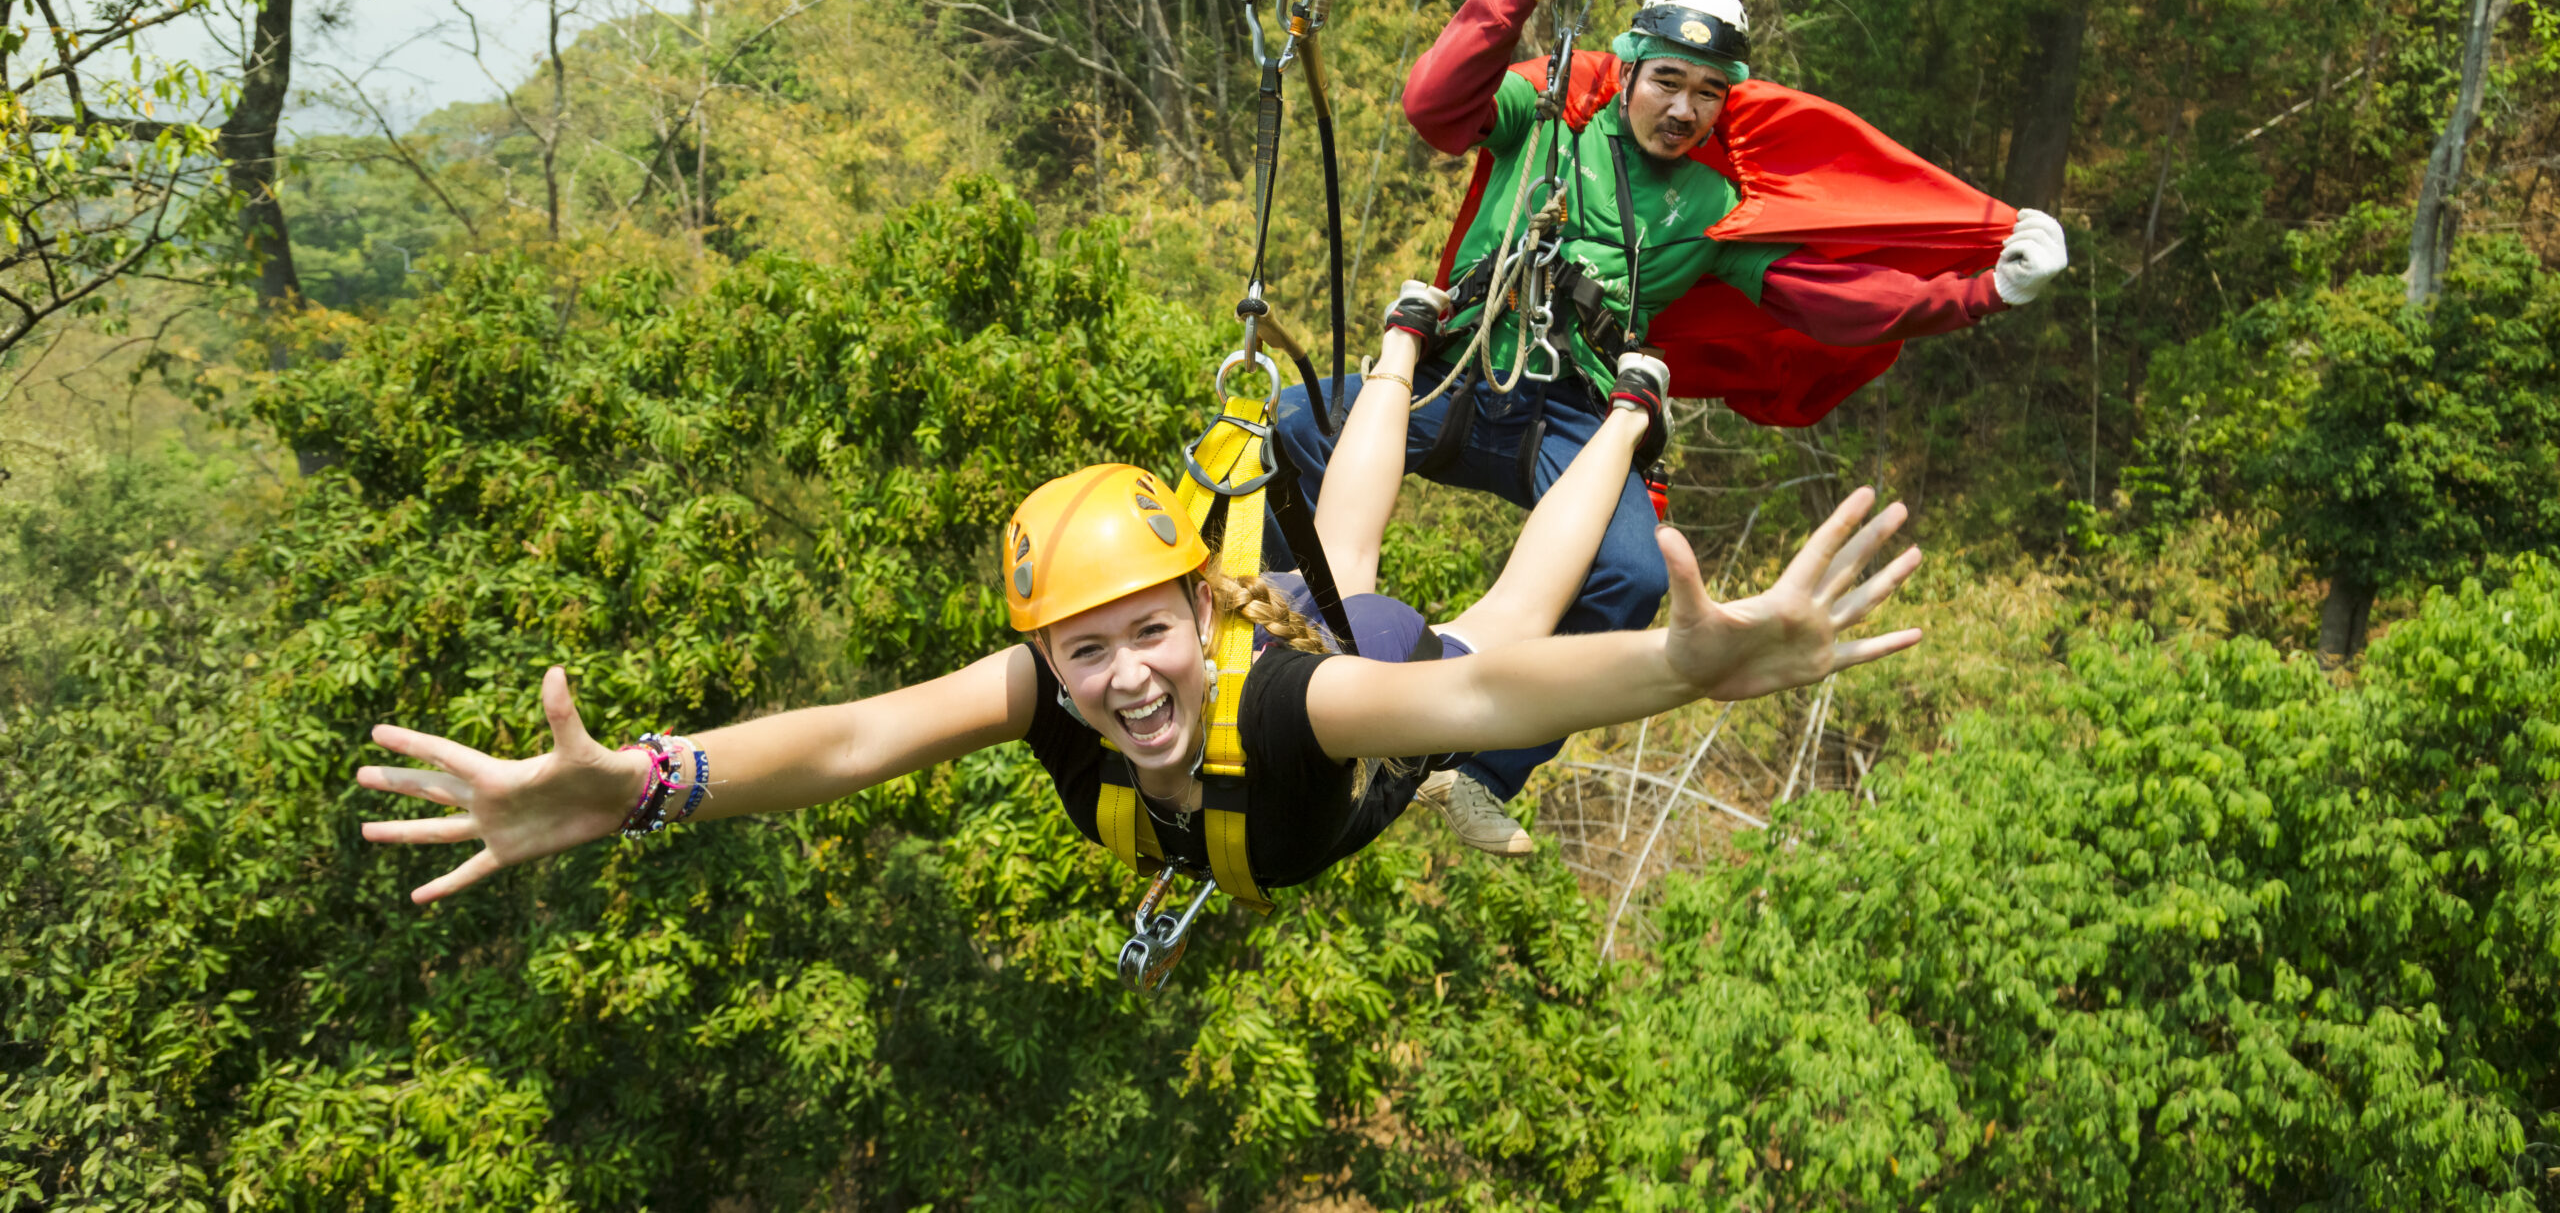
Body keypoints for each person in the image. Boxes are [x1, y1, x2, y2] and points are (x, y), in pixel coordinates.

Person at [355, 303, 1926, 912]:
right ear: (1045, 652)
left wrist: (1678, 665)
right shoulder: (1057, 686)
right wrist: (639, 783)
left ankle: (1636, 412)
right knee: (1353, 543)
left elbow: (1484, 706)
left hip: (1351, 686)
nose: (1121, 681)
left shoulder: (1297, 697)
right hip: (1293, 629)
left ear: (1200, 605)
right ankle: (1401, 338)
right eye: (1083, 650)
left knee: (1493, 609)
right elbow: (849, 737)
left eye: (1145, 634)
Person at [1265, 0, 2067, 854]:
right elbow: (1435, 105)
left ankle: (1476, 770)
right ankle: (1280, 632)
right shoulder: (1543, 110)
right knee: (1288, 428)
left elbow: (1832, 301)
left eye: (1709, 94)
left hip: (1573, 412)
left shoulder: (1716, 208)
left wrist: (1982, 291)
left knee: (1633, 572)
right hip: (1466, 368)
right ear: (1633, 70)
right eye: (1669, 83)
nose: (1685, 110)